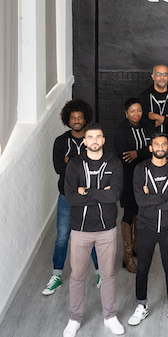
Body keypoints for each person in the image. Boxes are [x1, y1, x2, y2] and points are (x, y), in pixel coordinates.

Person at [62, 123, 124, 337]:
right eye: (91, 137)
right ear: (85, 141)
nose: (95, 140)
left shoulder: (114, 163)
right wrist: (100, 192)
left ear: (103, 140)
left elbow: (114, 195)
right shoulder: (75, 165)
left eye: (98, 136)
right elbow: (71, 198)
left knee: (107, 274)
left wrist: (85, 191)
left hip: (107, 229)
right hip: (80, 230)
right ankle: (74, 318)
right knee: (77, 276)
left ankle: (110, 316)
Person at [127, 133, 168, 328]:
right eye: (157, 144)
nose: (160, 147)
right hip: (146, 227)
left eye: (164, 144)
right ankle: (141, 305)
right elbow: (140, 201)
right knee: (143, 269)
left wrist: (152, 196)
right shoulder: (140, 169)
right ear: (151, 147)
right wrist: (165, 196)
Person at [43, 99, 99, 296]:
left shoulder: (93, 139)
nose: (76, 120)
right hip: (66, 197)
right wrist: (80, 163)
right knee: (62, 237)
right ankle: (57, 275)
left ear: (85, 119)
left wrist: (71, 162)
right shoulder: (61, 141)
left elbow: (96, 166)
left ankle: (100, 273)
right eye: (73, 118)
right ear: (68, 120)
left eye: (80, 117)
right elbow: (60, 168)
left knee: (92, 235)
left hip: (89, 197)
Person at [114, 97, 151, 273]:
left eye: (139, 110)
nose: (136, 114)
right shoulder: (121, 131)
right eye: (132, 111)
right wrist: (142, 153)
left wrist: (138, 153)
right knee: (129, 212)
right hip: (128, 178)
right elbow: (125, 156)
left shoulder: (147, 126)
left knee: (141, 210)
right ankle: (127, 256)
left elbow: (154, 148)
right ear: (126, 112)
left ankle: (136, 247)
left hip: (146, 175)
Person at [139, 64, 168, 142]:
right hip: (150, 146)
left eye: (165, 74)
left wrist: (155, 116)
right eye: (159, 74)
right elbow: (145, 126)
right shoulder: (144, 96)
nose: (162, 77)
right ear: (153, 76)